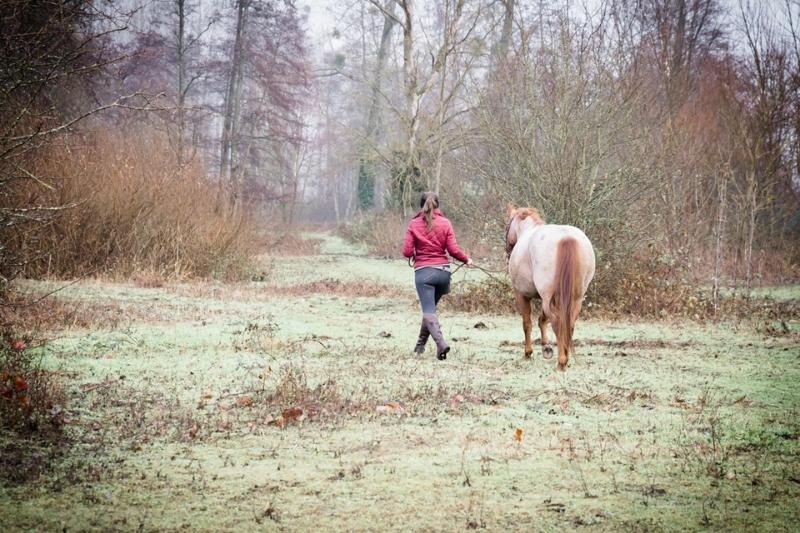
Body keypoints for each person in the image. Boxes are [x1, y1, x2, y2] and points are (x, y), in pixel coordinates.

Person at [402, 191, 473, 360]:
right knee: (430, 311)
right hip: (443, 274)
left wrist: (414, 252)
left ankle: (441, 344)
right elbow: (453, 250)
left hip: (424, 273)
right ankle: (419, 347)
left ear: (421, 205)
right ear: (438, 205)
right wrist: (467, 260)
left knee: (428, 311)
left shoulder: (413, 224)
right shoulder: (446, 223)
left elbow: (406, 251)